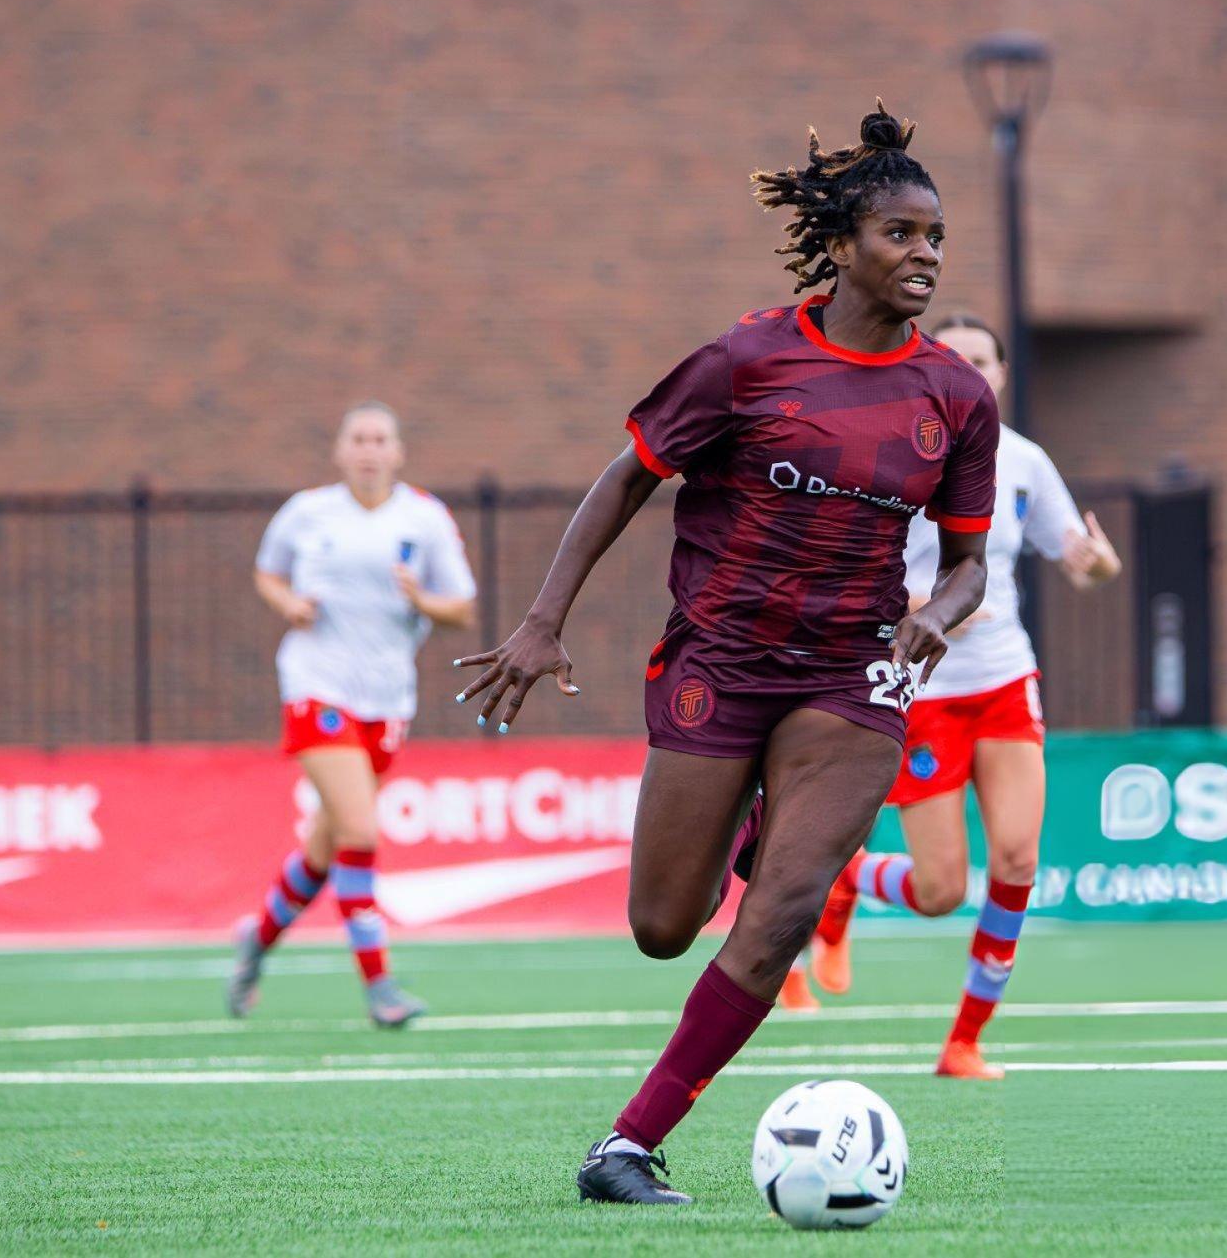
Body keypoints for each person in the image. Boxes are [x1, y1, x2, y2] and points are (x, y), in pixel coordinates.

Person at [455, 102, 999, 1206]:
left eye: (935, 237)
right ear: (842, 244)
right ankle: (754, 822)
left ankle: (625, 1146)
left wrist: (941, 610)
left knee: (782, 912)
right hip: (722, 661)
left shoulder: (956, 397)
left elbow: (969, 561)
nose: (924, 255)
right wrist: (543, 619)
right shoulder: (745, 359)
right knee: (662, 927)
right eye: (900, 234)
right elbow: (626, 479)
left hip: (854, 675)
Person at [787, 313, 1121, 1080]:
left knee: (1017, 856)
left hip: (1006, 680)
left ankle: (964, 1040)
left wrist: (1099, 563)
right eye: (954, 356)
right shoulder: (891, 452)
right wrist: (912, 605)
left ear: (999, 376)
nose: (968, 369)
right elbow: (835, 570)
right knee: (939, 890)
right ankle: (847, 878)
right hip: (923, 688)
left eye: (983, 359)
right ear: (929, 366)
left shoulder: (1026, 462)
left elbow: (1080, 561)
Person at [226, 402, 478, 1028]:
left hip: (387, 698)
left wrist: (423, 600)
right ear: (340, 452)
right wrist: (289, 603)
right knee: (360, 832)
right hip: (317, 686)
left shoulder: (425, 518)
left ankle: (256, 941)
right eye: (358, 439)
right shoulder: (309, 512)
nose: (369, 449)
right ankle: (380, 986)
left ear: (397, 452)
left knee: (324, 849)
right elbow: (267, 573)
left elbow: (463, 610)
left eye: (380, 439)